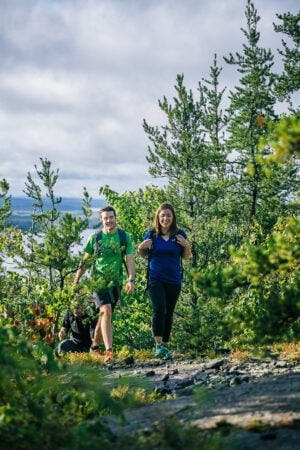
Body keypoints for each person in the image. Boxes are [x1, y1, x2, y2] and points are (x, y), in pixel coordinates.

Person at [73, 205, 135, 362]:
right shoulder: (95, 238)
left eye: (111, 217)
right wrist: (76, 281)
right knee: (106, 310)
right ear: (101, 220)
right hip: (98, 282)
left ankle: (94, 347)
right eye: (105, 218)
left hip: (116, 283)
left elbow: (130, 259)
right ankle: (109, 351)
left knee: (104, 316)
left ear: (115, 218)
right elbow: (85, 261)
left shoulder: (123, 236)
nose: (109, 221)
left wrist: (131, 280)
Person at [137, 202, 191, 360]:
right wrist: (141, 247)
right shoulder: (151, 234)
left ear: (173, 217)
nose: (165, 218)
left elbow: (186, 256)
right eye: (162, 216)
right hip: (155, 278)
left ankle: (165, 346)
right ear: (158, 218)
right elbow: (142, 254)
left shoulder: (179, 235)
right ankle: (158, 345)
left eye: (168, 215)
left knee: (169, 312)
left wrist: (187, 245)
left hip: (174, 279)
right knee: (159, 309)